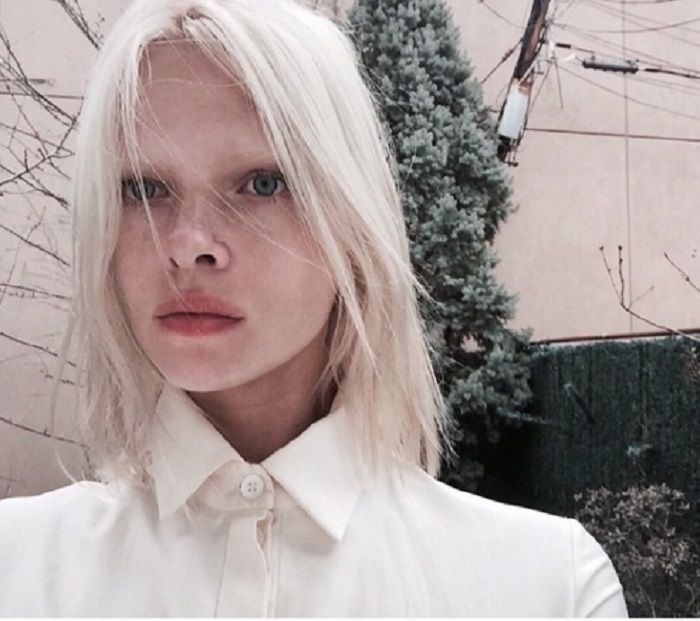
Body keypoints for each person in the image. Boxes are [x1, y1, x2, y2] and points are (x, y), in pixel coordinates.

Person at [0, 0, 628, 616]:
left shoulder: (546, 586)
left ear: (352, 222)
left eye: (262, 184)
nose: (188, 245)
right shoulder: (18, 568)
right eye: (144, 188)